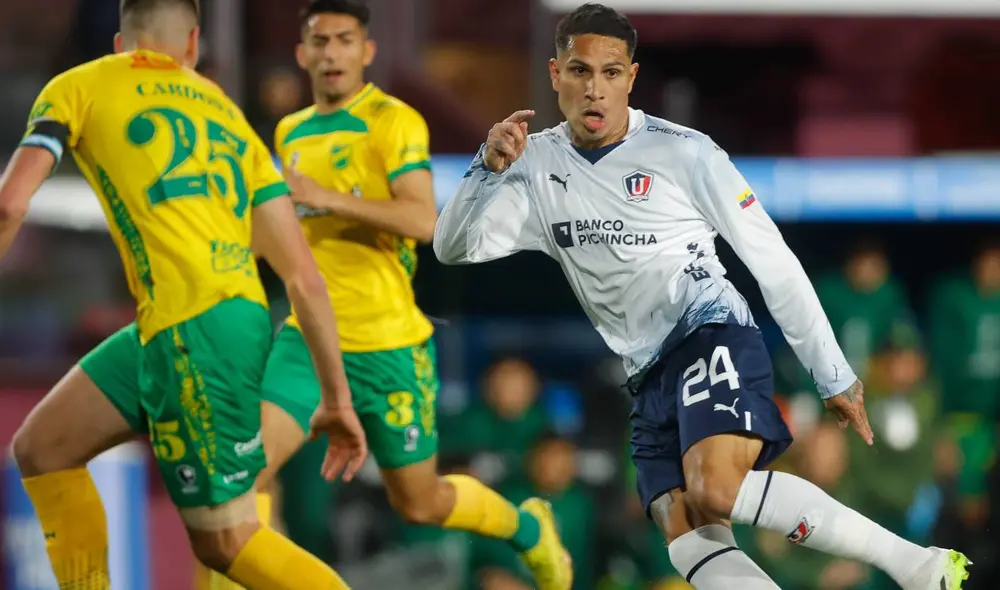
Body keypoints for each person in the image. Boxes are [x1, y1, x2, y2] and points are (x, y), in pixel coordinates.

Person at [432, 3, 970, 589]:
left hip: (708, 331)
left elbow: (773, 261)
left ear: (631, 78)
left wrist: (831, 372)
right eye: (580, 71)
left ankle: (919, 566)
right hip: (646, 370)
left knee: (718, 487)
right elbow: (454, 247)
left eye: (611, 73)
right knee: (687, 531)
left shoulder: (684, 152)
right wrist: (484, 171)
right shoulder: (534, 164)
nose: (595, 90)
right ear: (555, 73)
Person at [0, 1, 368, 588]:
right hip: (196, 321)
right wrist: (337, 399)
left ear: (122, 43)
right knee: (43, 448)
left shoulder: (80, 85)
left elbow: (10, 202)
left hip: (193, 330)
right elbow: (302, 276)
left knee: (226, 541)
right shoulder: (227, 114)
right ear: (193, 44)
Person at [251, 2, 571, 589]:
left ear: (367, 50)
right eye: (319, 41)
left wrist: (328, 196)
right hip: (308, 340)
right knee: (246, 479)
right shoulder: (289, 131)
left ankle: (525, 530)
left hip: (389, 345)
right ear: (302, 54)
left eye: (344, 39)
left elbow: (425, 220)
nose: (331, 52)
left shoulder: (394, 121)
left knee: (420, 502)